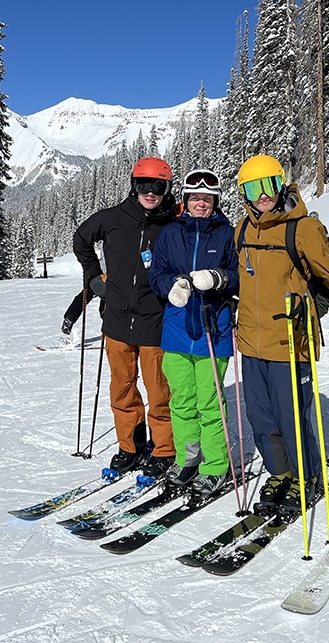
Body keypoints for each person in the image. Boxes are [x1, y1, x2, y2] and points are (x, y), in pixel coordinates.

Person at [234, 155, 329, 515]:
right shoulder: (242, 230)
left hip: (291, 342)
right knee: (260, 416)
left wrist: (312, 310)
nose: (262, 195)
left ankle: (306, 477)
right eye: (252, 188)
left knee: (293, 415)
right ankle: (280, 472)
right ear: (244, 193)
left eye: (268, 185)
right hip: (251, 342)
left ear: (281, 185)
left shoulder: (303, 228)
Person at [73, 157, 178, 479]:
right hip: (117, 320)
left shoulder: (173, 224)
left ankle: (163, 450)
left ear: (166, 188)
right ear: (134, 185)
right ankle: (130, 446)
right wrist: (94, 278)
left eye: (158, 186)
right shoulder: (113, 218)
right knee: (122, 389)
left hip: (154, 320)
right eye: (144, 185)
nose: (151, 192)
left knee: (159, 391)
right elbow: (81, 240)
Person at [149, 169, 239, 499]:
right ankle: (189, 459)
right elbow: (156, 272)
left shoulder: (227, 233)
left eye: (207, 199)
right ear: (185, 201)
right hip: (176, 329)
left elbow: (240, 275)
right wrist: (170, 286)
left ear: (215, 202)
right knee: (182, 401)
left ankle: (215, 465)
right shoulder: (170, 233)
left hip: (213, 330)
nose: (201, 204)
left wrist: (218, 278)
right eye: (195, 198)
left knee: (210, 403)